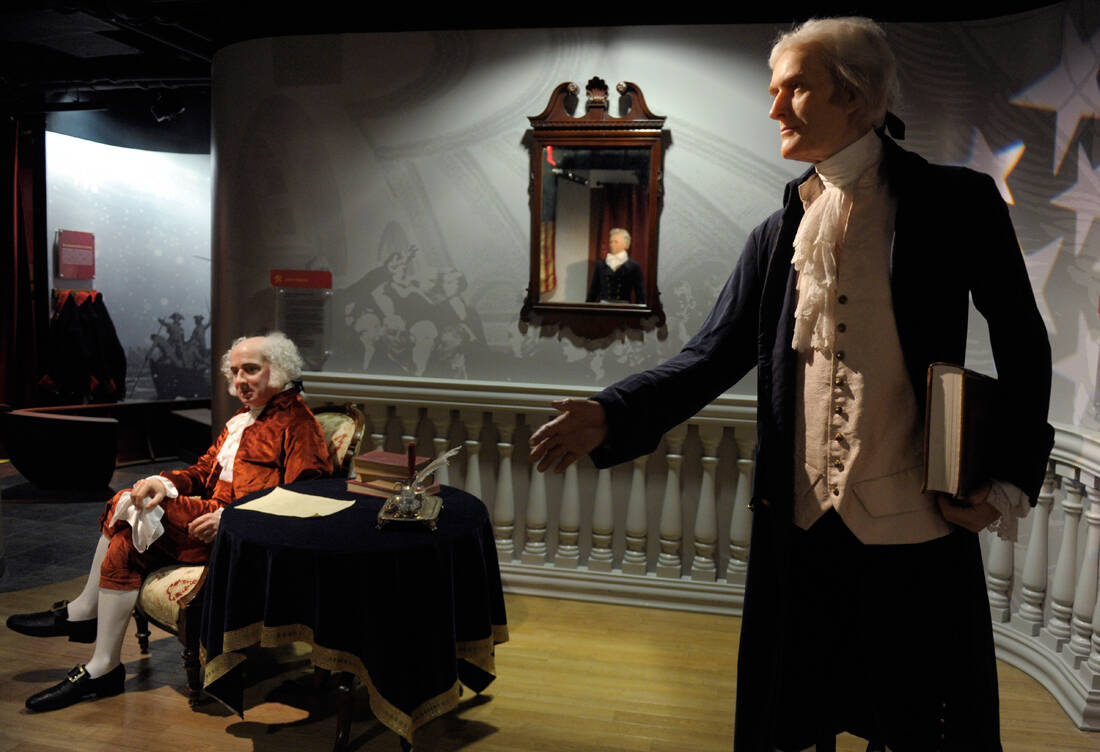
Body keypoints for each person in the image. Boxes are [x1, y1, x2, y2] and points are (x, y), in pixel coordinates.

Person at [530, 17, 1053, 752]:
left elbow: (1023, 340)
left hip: (915, 531)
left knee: (916, 727)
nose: (774, 107)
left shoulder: (955, 202)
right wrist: (612, 412)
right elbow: (711, 356)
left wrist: (1008, 479)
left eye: (795, 88)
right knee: (796, 721)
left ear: (855, 96)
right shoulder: (778, 234)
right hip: (805, 535)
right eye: (774, 90)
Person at [7, 331, 333, 712]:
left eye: (251, 370)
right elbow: (202, 470)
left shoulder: (298, 422)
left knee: (128, 504)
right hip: (209, 518)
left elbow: (303, 496)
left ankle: (83, 613)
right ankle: (103, 667)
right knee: (126, 540)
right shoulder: (242, 419)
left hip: (245, 537)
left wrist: (231, 518)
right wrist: (160, 483)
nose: (240, 380)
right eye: (234, 372)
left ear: (278, 369)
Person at [585, 227, 646, 304]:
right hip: (604, 307)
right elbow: (593, 291)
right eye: (611, 242)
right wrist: (586, 308)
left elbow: (640, 294)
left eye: (616, 242)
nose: (612, 245)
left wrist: (640, 310)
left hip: (624, 308)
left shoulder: (634, 266)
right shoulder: (601, 265)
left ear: (625, 244)